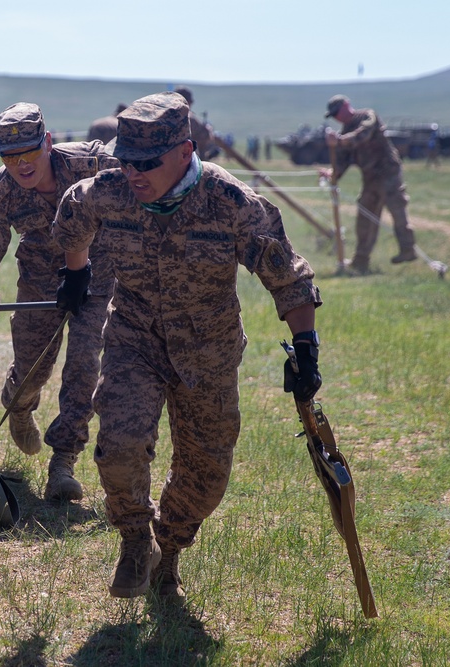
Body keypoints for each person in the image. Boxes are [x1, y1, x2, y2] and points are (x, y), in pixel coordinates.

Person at [52, 92, 322, 602]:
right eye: (126, 161)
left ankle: (168, 550)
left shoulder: (230, 202)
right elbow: (72, 216)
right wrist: (76, 270)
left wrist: (305, 346)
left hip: (208, 350)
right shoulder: (110, 189)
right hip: (135, 338)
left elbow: (286, 276)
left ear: (184, 151)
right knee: (120, 444)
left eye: (147, 163)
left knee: (206, 470)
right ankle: (135, 538)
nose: (134, 173)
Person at [0, 102, 118, 502]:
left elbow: (144, 186)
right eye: (11, 156)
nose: (22, 164)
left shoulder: (93, 164)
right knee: (33, 369)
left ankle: (63, 461)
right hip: (40, 281)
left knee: (85, 364)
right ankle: (18, 405)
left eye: (31, 153)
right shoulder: (1, 189)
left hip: (96, 276)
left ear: (48, 142)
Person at [320, 95, 418, 274]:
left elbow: (363, 135)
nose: (336, 117)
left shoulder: (367, 116)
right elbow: (342, 161)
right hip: (370, 178)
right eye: (333, 115)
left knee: (397, 209)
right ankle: (361, 261)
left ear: (347, 105)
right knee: (365, 218)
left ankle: (407, 249)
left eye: (337, 112)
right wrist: (332, 173)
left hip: (388, 173)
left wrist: (340, 141)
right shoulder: (344, 132)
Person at [173, 86, 219, 161]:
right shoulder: (189, 118)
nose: (192, 102)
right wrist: (208, 129)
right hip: (190, 162)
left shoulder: (166, 116)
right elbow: (206, 137)